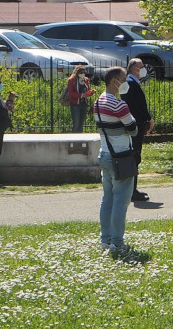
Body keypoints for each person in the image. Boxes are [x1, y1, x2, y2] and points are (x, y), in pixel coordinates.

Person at [93, 66, 139, 251]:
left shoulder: (98, 102)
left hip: (104, 153)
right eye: (124, 79)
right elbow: (133, 128)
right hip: (120, 157)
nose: (126, 83)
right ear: (115, 81)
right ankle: (117, 243)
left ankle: (105, 240)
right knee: (121, 200)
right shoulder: (118, 104)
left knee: (108, 198)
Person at [124, 59, 153, 203]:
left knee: (136, 156)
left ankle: (133, 189)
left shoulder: (133, 82)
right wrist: (148, 119)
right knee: (134, 156)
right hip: (135, 125)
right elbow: (136, 106)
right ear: (134, 68)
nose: (144, 69)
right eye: (142, 67)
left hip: (137, 124)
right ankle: (132, 191)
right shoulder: (130, 83)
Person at [63, 66, 91, 133]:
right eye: (81, 73)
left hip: (84, 104)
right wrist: (81, 95)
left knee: (81, 124)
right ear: (77, 73)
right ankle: (74, 139)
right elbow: (71, 92)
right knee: (76, 123)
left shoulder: (85, 80)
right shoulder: (71, 80)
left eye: (84, 73)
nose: (83, 74)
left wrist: (90, 92)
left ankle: (80, 139)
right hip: (75, 104)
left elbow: (88, 89)